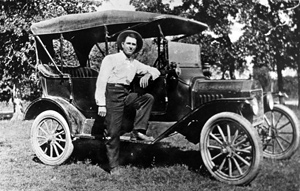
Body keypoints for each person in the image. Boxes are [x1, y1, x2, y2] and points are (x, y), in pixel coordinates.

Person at [94, 30, 160, 175]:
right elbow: (102, 81)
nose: (131, 47)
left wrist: (148, 74)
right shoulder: (110, 59)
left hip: (126, 94)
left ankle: (138, 131)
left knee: (147, 98)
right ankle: (113, 166)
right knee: (113, 131)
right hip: (112, 94)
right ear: (122, 44)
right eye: (128, 44)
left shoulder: (135, 63)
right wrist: (101, 103)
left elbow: (155, 70)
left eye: (134, 45)